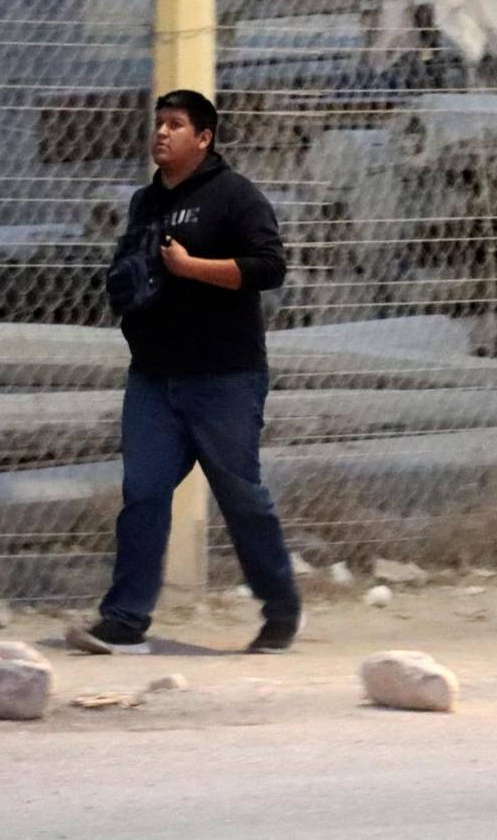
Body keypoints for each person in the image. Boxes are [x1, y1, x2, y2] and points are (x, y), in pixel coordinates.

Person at [68, 89, 302, 656]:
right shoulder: (145, 203)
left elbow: (270, 268)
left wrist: (190, 268)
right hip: (153, 377)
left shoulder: (234, 197)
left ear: (204, 137)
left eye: (176, 124)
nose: (162, 133)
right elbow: (130, 268)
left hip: (222, 376)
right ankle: (124, 621)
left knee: (240, 496)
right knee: (143, 495)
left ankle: (280, 611)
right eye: (158, 123)